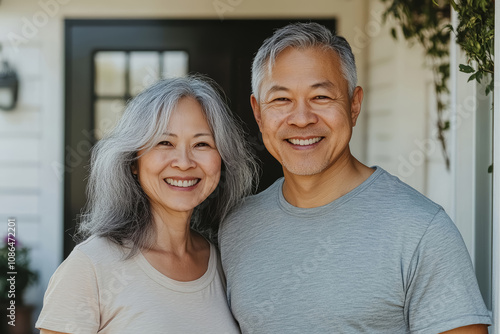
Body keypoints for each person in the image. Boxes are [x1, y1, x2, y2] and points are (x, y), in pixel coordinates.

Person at [219, 22, 492, 333]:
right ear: (258, 113)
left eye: (321, 97)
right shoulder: (236, 229)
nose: (302, 118)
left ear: (354, 104)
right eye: (281, 100)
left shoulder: (420, 231)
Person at [36, 76, 258, 333]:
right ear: (133, 161)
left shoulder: (225, 263)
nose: (184, 162)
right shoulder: (91, 267)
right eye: (165, 142)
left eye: (202, 144)